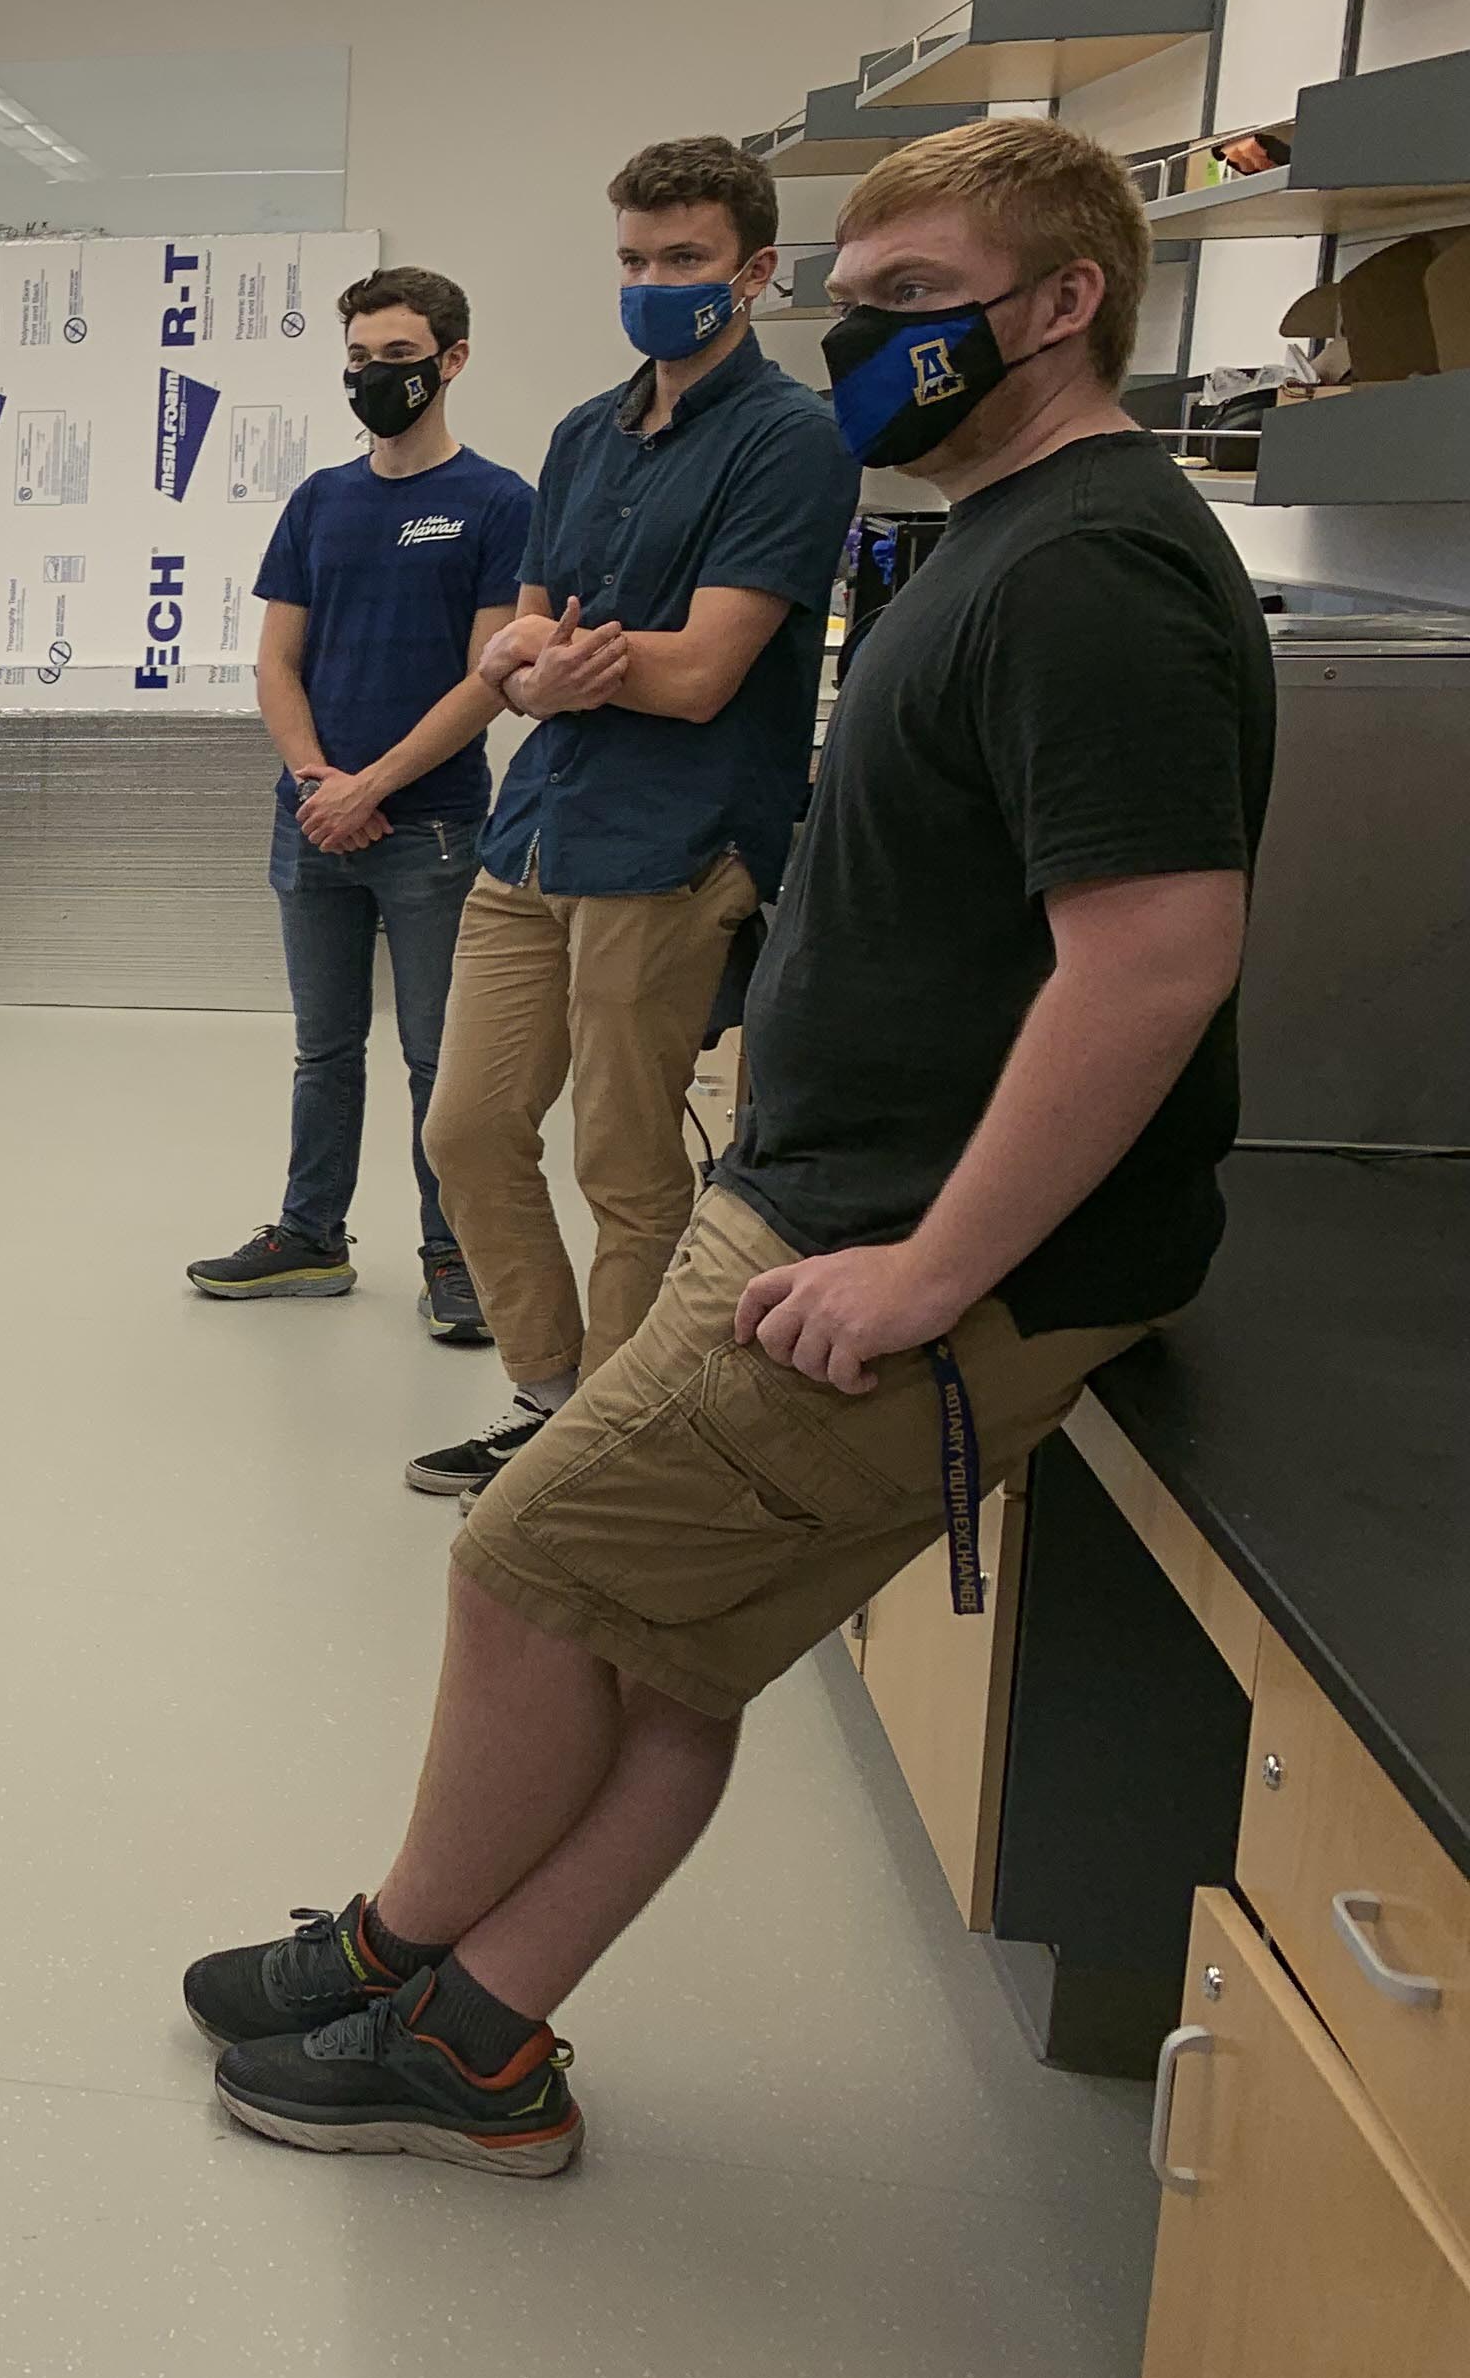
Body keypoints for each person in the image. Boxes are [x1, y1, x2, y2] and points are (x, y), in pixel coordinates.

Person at [185, 120, 1271, 2178]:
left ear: (1065, 303)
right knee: (666, 1648)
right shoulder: (1000, 530)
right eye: (855, 301)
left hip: (901, 1249)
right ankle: (475, 2031)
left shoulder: (1094, 568)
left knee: (525, 1567)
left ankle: (406, 1953)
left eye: (915, 301)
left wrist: (932, 1272)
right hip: (822, 1192)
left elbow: (1151, 958)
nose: (865, 341)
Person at [406, 137, 862, 1499]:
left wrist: (552, 665)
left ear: (755, 272)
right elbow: (519, 648)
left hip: (673, 846)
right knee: (466, 1130)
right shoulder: (582, 435)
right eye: (633, 260)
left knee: (623, 1157)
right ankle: (553, 1395)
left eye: (684, 260)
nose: (654, 285)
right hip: (538, 830)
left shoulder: (791, 441)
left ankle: (609, 1450)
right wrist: (544, 668)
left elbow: (705, 670)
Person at [187, 266, 529, 1342]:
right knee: (324, 1050)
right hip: (313, 822)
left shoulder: (499, 503)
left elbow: (490, 679)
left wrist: (371, 787)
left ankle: (454, 1256)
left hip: (432, 827)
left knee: (440, 1060)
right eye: (359, 358)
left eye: (398, 357)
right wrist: (317, 785)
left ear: (451, 361)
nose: (374, 375)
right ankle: (310, 1237)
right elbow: (276, 663)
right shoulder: (319, 502)